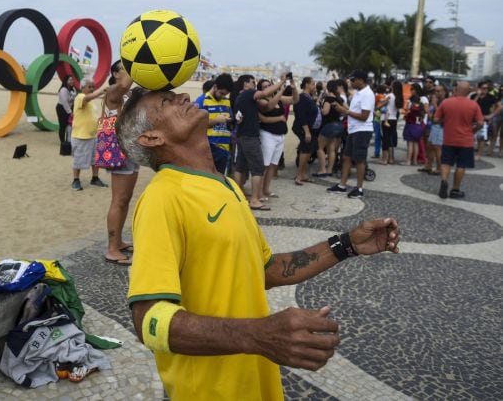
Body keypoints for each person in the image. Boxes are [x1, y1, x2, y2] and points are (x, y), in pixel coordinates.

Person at [114, 87, 400, 400]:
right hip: (210, 391)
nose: (182, 96)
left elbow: (265, 269)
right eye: (165, 102)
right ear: (152, 138)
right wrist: (258, 335)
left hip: (254, 379)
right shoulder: (163, 198)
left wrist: (347, 244)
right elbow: (148, 320)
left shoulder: (226, 186)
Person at [232, 74, 287, 210]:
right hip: (250, 136)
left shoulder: (240, 97)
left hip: (241, 135)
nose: (254, 84)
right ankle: (255, 200)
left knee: (240, 166)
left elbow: (268, 105)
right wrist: (281, 82)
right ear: (245, 84)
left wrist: (280, 91)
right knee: (257, 168)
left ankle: (238, 195)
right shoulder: (248, 93)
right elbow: (264, 93)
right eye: (252, 82)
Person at [103, 61, 137, 265]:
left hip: (130, 146)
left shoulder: (128, 94)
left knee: (126, 198)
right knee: (119, 199)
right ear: (116, 74)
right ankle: (112, 248)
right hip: (118, 148)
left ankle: (118, 241)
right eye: (125, 69)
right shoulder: (114, 91)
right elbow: (124, 85)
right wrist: (137, 61)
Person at [327, 70, 375, 198]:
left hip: (362, 130)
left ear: (361, 80)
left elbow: (364, 116)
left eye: (353, 80)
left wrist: (345, 111)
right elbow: (354, 111)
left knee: (359, 160)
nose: (351, 82)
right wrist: (342, 108)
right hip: (353, 130)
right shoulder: (358, 93)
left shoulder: (367, 94)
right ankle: (342, 185)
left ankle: (359, 188)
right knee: (347, 157)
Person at [434, 81, 484, 199]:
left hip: (449, 139)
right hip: (465, 140)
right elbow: (481, 123)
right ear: (468, 92)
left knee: (446, 162)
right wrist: (474, 130)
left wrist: (445, 122)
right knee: (461, 165)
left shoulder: (446, 102)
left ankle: (444, 181)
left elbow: (436, 119)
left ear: (456, 90)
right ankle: (455, 189)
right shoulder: (473, 105)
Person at [257, 76, 298, 200]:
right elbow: (269, 107)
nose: (268, 87)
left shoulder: (279, 99)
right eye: (265, 86)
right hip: (267, 134)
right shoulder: (260, 100)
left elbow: (294, 100)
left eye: (269, 85)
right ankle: (259, 192)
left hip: (280, 135)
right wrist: (281, 90)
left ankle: (266, 189)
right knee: (264, 165)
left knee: (273, 165)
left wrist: (294, 88)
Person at [70, 78, 108, 190]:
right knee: (78, 159)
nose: (92, 89)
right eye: (89, 87)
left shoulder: (91, 101)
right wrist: (101, 91)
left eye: (93, 87)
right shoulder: (80, 97)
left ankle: (95, 178)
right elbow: (87, 97)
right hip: (81, 136)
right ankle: (75, 180)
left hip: (93, 135)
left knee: (95, 159)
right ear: (82, 88)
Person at [195, 74, 234, 174]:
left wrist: (233, 120)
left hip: (224, 149)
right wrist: (216, 121)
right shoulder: (202, 101)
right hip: (209, 148)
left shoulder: (226, 101)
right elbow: (196, 124)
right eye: (221, 93)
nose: (223, 96)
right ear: (215, 87)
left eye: (225, 94)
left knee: (218, 181)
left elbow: (228, 120)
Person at [314, 79, 345, 177]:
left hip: (329, 125)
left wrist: (319, 106)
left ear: (328, 87)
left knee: (319, 147)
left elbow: (325, 112)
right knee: (331, 149)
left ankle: (322, 170)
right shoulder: (339, 99)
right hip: (338, 125)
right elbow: (347, 109)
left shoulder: (328, 99)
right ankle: (329, 170)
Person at [292, 77, 318, 184]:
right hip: (303, 127)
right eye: (312, 84)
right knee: (305, 149)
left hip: (309, 127)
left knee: (309, 149)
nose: (314, 86)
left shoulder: (309, 97)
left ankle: (302, 173)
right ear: (306, 84)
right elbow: (301, 116)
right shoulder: (302, 97)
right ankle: (299, 175)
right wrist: (306, 131)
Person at [471, 80, 501, 159]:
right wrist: (477, 95)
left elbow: (500, 106)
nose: (485, 90)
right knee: (471, 136)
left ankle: (479, 155)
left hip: (484, 118)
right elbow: (470, 105)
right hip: (472, 118)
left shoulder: (491, 97)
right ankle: (469, 151)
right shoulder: (473, 96)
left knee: (482, 137)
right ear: (479, 88)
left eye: (486, 88)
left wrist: (491, 115)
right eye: (483, 88)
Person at [424, 83, 448, 175]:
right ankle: (428, 165)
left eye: (438, 91)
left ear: (444, 92)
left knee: (437, 148)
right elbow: (432, 116)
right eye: (435, 91)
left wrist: (434, 105)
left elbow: (441, 114)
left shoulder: (445, 102)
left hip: (440, 127)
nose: (436, 93)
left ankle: (439, 168)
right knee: (430, 146)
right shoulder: (437, 101)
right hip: (434, 126)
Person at [402, 83, 425, 166]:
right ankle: (415, 160)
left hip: (410, 126)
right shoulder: (421, 107)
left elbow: (406, 116)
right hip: (418, 127)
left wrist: (406, 115)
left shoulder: (411, 108)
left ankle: (408, 160)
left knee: (410, 144)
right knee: (416, 144)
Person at [56, 75, 77, 144]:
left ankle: (68, 140)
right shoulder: (63, 90)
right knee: (63, 125)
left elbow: (73, 99)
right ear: (66, 81)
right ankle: (62, 141)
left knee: (69, 125)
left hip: (69, 108)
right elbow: (65, 102)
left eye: (72, 80)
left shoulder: (73, 89)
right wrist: (69, 112)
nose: (71, 81)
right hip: (61, 108)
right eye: (70, 80)